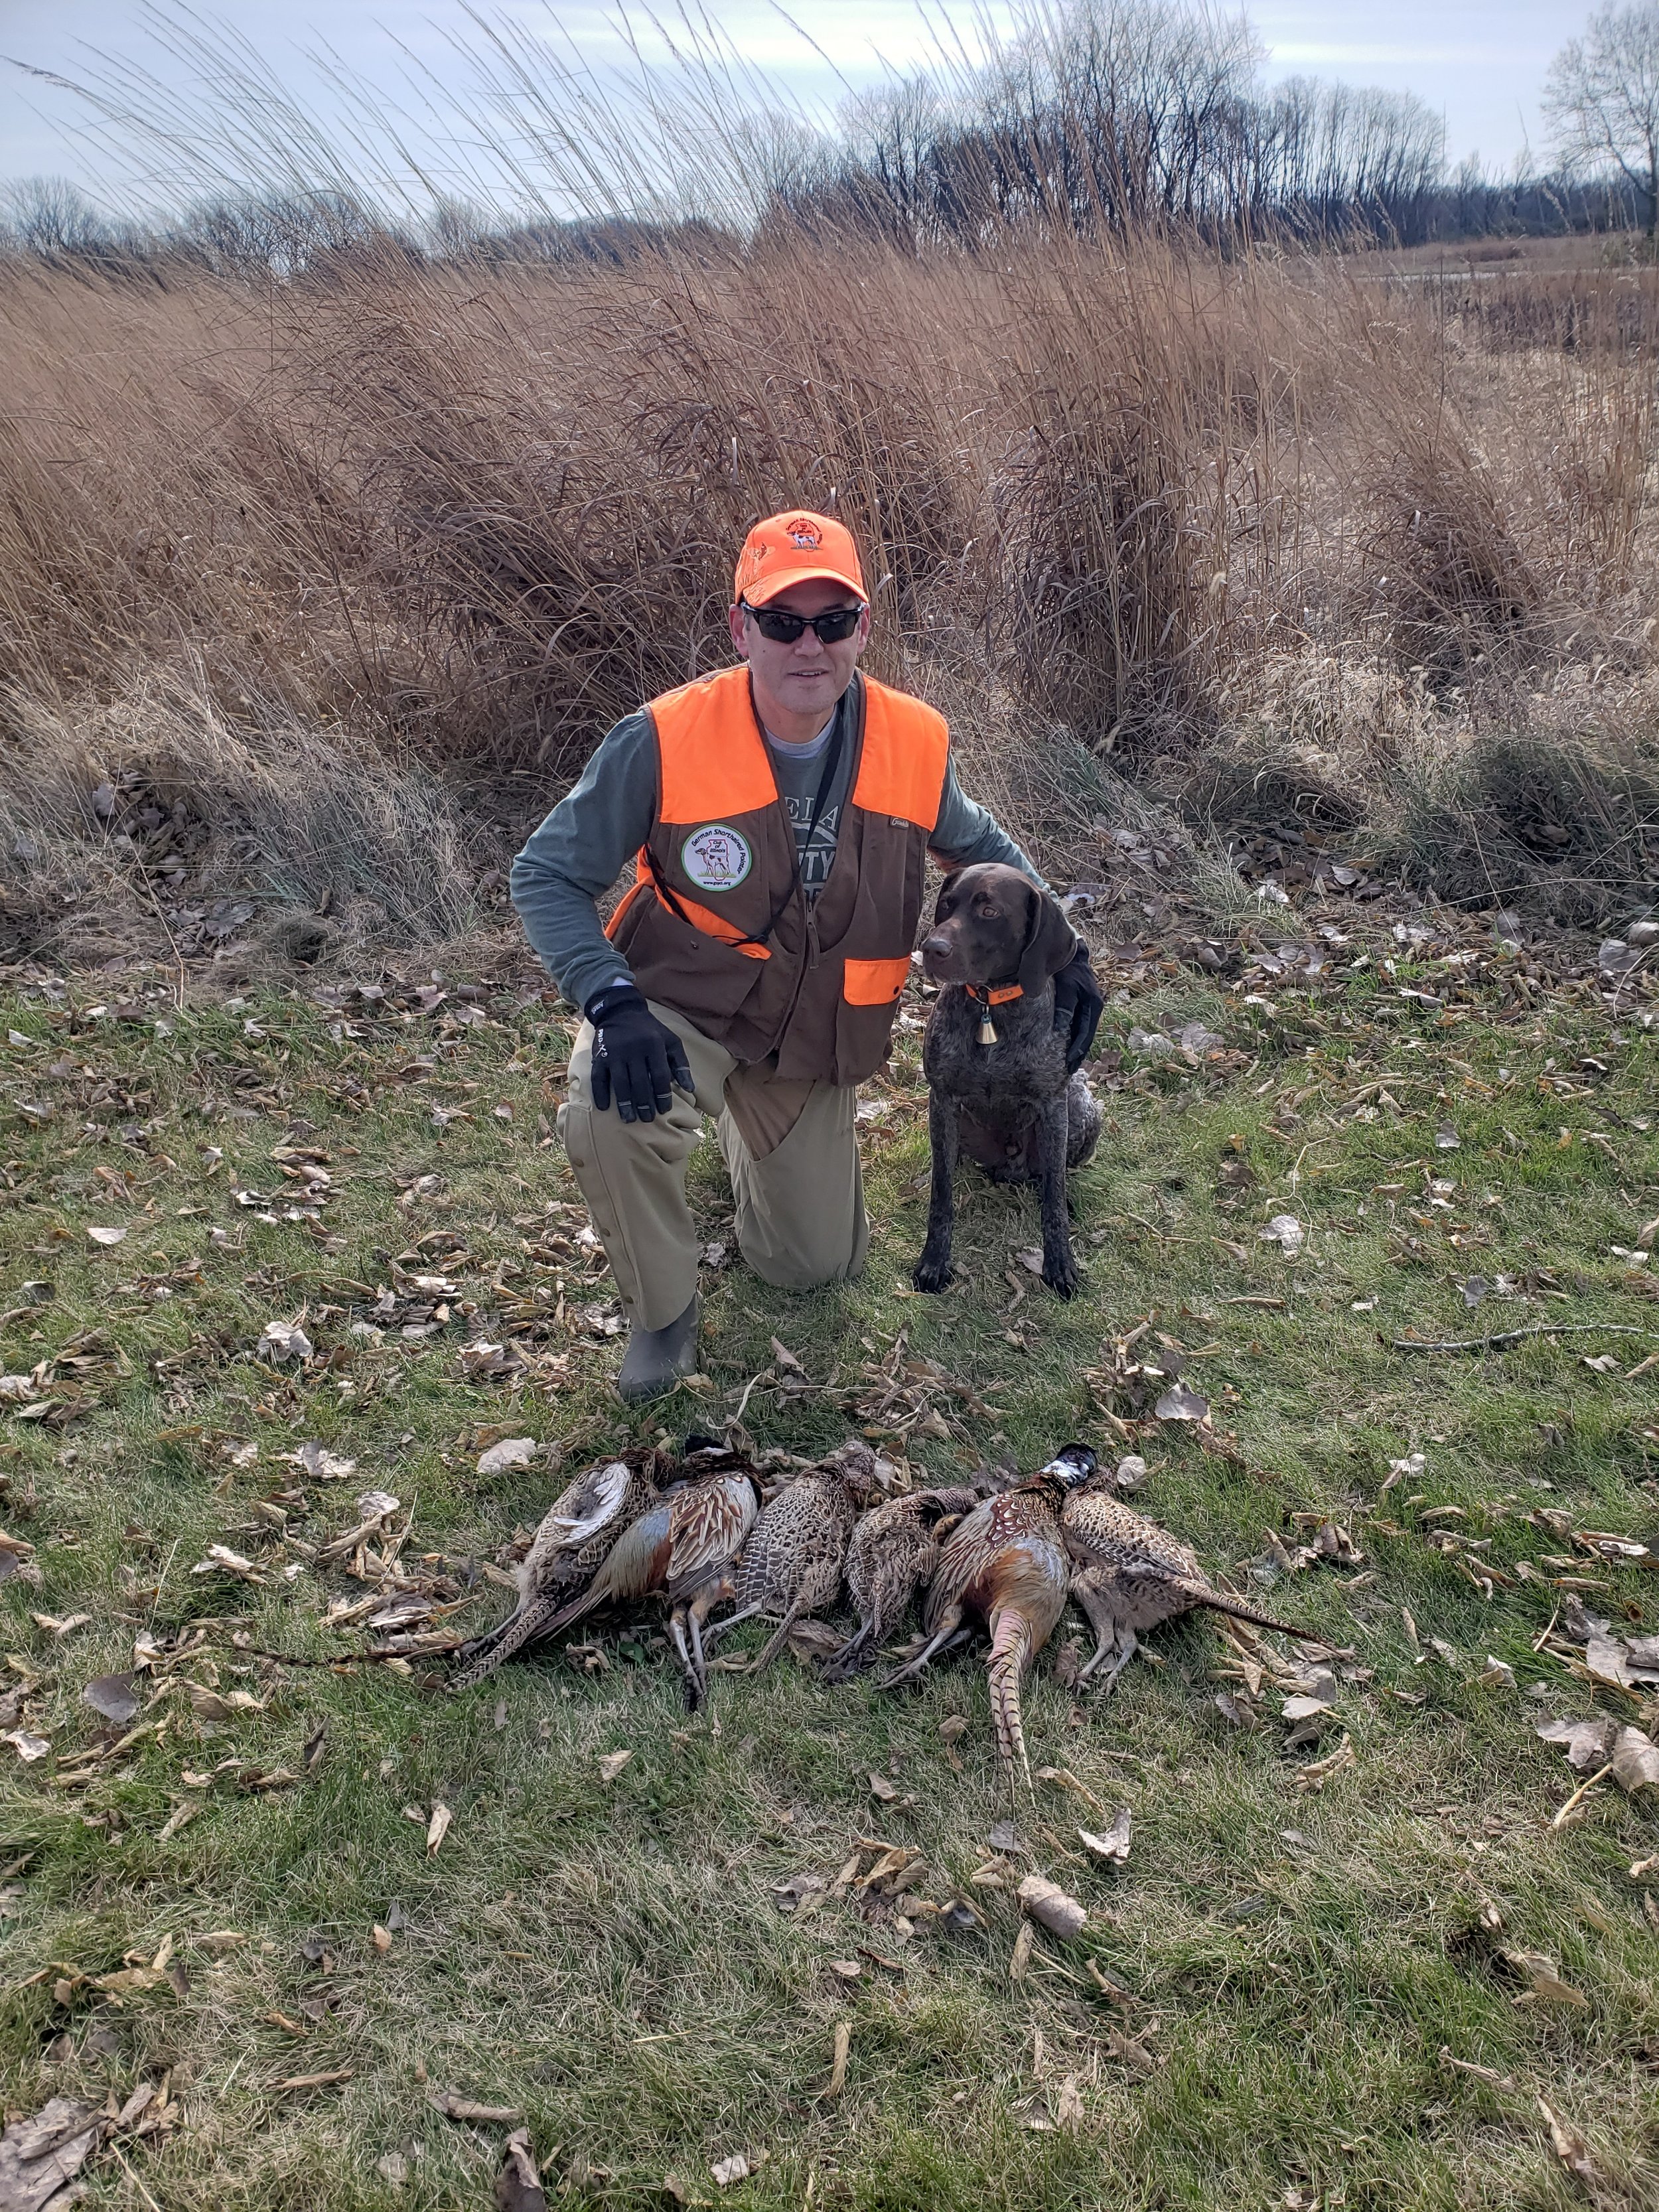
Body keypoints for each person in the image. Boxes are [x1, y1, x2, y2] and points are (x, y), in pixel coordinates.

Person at [510, 510, 1102, 1401]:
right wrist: (609, 999)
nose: (809, 645)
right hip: (683, 1003)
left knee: (814, 1268)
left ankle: (744, 1139)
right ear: (740, 626)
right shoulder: (662, 737)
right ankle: (664, 1315)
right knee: (610, 1109)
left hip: (813, 1037)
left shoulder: (910, 740)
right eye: (782, 621)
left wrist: (1068, 949)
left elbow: (987, 850)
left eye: (833, 621)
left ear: (863, 627)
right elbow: (546, 874)